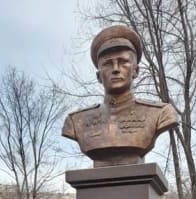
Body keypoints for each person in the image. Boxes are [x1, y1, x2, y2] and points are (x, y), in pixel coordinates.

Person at [62, 25, 178, 167]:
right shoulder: (76, 122)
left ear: (135, 71)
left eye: (123, 62)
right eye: (108, 64)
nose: (116, 69)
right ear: (99, 76)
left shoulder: (160, 114)